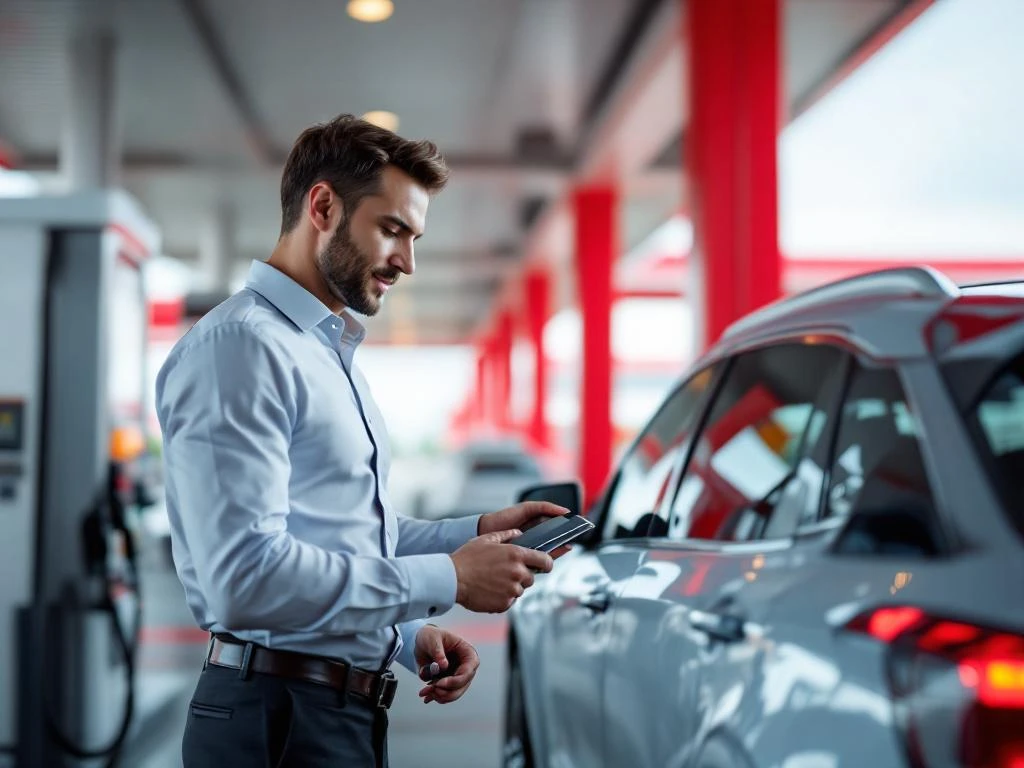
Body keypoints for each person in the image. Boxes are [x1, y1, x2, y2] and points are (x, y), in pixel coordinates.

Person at [155, 114, 568, 768]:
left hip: (322, 715)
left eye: (414, 236)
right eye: (393, 229)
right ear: (323, 206)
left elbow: (341, 533)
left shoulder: (324, 353)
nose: (407, 260)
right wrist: (448, 577)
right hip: (276, 720)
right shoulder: (243, 350)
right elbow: (245, 578)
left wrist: (418, 614)